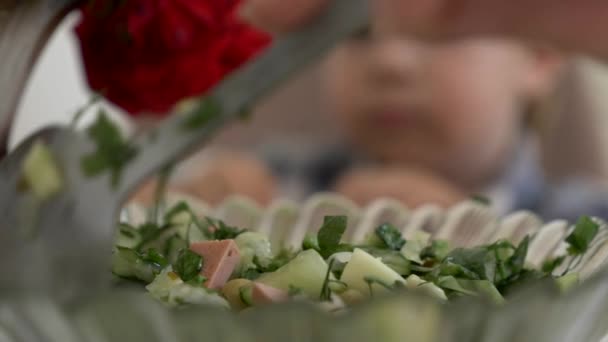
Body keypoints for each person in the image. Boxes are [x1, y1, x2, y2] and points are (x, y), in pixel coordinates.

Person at [240, 0, 608, 60]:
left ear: (541, 57)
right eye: (361, 36)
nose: (391, 61)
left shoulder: (583, 211)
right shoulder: (286, 180)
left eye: (440, 44)